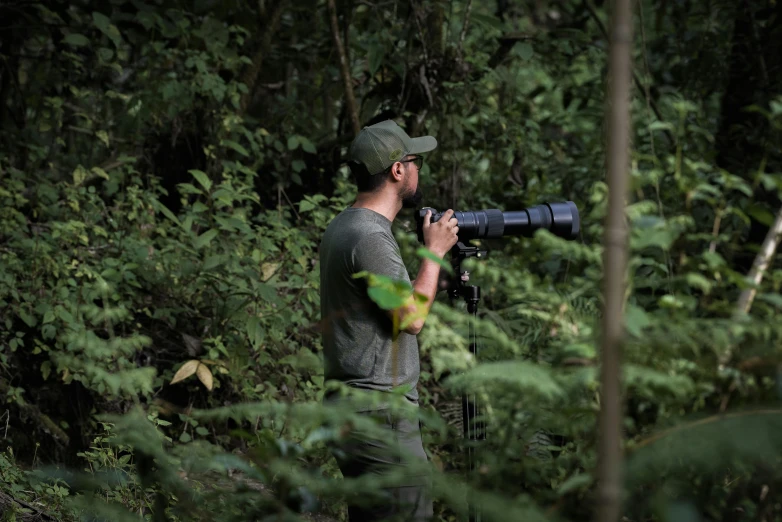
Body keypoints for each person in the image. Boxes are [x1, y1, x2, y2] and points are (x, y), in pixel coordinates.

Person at [319, 120, 459, 521]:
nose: (419, 170)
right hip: (379, 414)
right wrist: (434, 253)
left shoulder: (345, 225)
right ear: (398, 170)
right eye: (415, 161)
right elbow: (411, 318)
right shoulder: (369, 236)